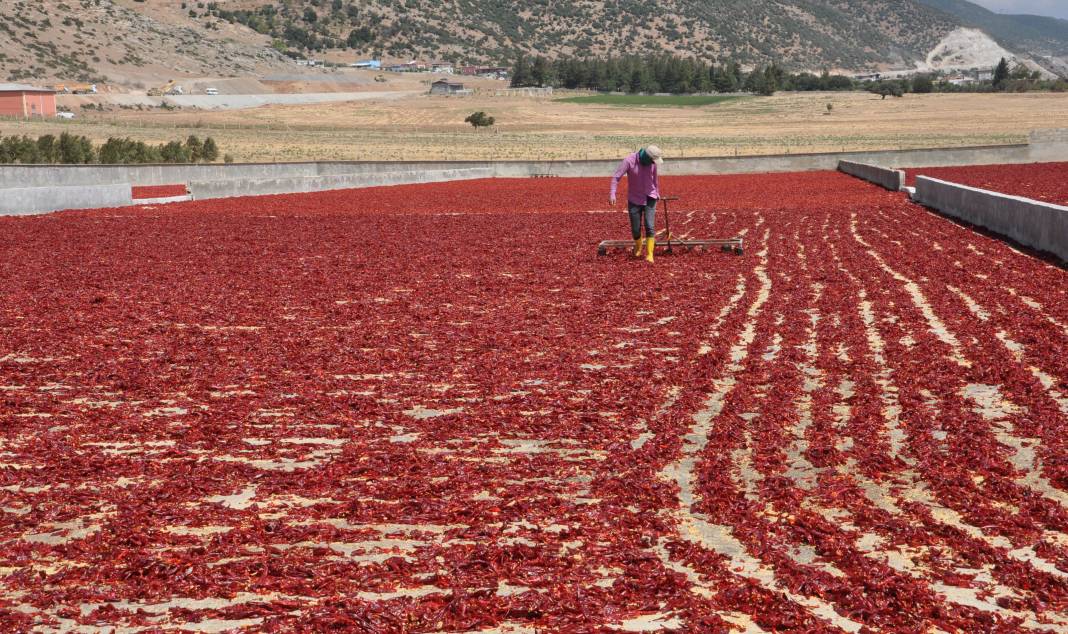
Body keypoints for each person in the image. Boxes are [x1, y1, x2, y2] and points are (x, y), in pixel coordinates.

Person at [609, 145, 663, 263]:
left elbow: (654, 180)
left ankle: (649, 254)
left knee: (650, 226)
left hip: (650, 197)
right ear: (647, 157)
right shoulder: (629, 161)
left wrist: (657, 193)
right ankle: (638, 246)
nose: (654, 163)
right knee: (635, 229)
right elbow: (616, 177)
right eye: (652, 160)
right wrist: (613, 193)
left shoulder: (652, 164)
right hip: (634, 199)